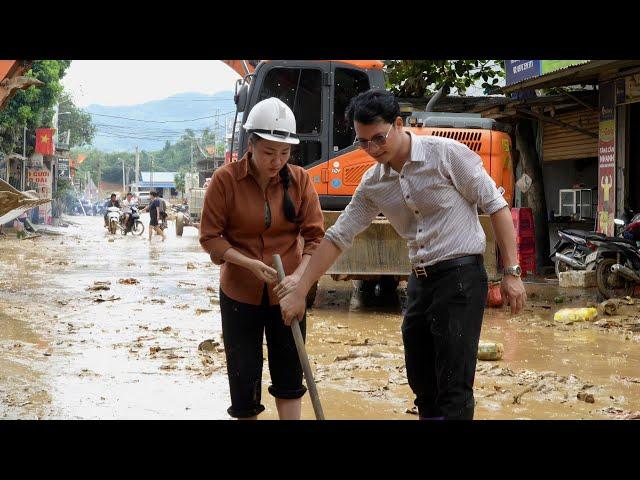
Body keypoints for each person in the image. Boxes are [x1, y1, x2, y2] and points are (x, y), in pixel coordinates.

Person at [278, 89, 527, 420]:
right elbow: (339, 236)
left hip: (460, 278)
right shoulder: (373, 184)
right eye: (363, 142)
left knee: (454, 383)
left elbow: (496, 205)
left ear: (398, 124)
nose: (372, 149)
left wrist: (511, 272)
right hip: (420, 281)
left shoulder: (447, 154)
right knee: (421, 379)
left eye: (378, 138)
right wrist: (301, 288)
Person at [199, 97, 324, 420]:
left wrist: (300, 281)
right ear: (250, 144)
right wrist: (248, 263)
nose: (277, 161)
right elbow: (211, 238)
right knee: (244, 378)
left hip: (289, 294)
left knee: (290, 375)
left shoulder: (300, 181)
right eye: (269, 152)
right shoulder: (225, 181)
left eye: (284, 153)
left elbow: (315, 238)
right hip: (239, 292)